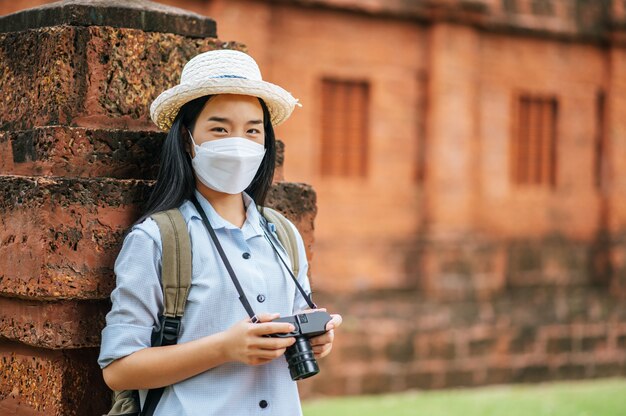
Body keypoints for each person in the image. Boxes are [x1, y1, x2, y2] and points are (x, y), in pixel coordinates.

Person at [98, 49, 342, 415]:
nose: (239, 142)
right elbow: (119, 370)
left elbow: (292, 330)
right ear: (186, 138)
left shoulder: (283, 234)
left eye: (252, 130)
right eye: (220, 128)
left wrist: (317, 337)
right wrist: (224, 348)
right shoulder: (157, 240)